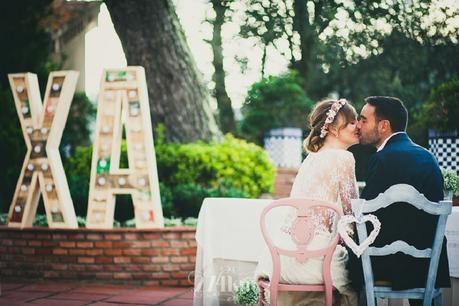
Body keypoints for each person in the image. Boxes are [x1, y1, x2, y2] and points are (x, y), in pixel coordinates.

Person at [255, 98, 359, 306]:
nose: (357, 127)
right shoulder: (344, 158)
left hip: (281, 254)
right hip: (316, 255)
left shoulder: (311, 158)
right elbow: (351, 212)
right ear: (333, 128)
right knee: (357, 269)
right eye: (351, 122)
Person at [349, 96, 450, 305]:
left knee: (350, 253)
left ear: (384, 125)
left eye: (364, 120)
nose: (358, 125)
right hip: (427, 265)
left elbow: (366, 216)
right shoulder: (428, 157)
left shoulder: (381, 159)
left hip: (387, 264)